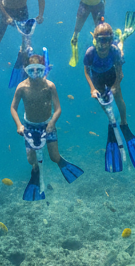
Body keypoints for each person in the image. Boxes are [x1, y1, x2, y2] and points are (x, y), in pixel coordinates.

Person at [11, 54, 82, 199]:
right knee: (31, 160)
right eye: (31, 70)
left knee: (54, 157)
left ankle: (62, 163)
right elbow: (13, 108)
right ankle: (35, 170)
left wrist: (51, 123)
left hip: (47, 125)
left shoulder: (49, 86)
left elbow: (58, 109)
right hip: (29, 127)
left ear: (44, 70)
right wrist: (19, 125)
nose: (35, 74)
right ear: (26, 70)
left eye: (39, 70)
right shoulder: (21, 88)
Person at [83, 22, 135, 171]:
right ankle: (111, 120)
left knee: (118, 97)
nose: (104, 44)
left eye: (107, 40)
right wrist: (92, 89)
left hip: (111, 74)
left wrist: (115, 85)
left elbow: (120, 72)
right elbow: (87, 72)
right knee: (103, 101)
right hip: (97, 77)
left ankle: (124, 122)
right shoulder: (90, 53)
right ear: (95, 39)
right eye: (101, 40)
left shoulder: (113, 51)